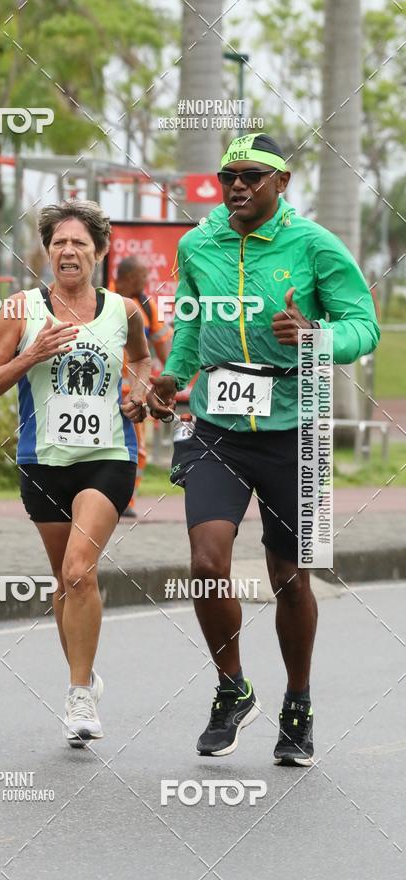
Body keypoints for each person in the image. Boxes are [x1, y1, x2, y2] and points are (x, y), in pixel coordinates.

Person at [148, 133, 380, 765]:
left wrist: (315, 333)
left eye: (251, 176)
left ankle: (298, 703)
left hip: (295, 427)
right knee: (205, 559)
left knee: (290, 577)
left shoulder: (314, 247)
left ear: (282, 183)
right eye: (228, 177)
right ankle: (232, 688)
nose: (238, 188)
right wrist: (174, 375)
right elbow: (192, 324)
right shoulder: (198, 245)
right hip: (218, 426)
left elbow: (365, 327)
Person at [0, 200, 151, 748]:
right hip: (42, 461)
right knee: (63, 582)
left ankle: (78, 695)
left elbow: (144, 361)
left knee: (80, 571)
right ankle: (86, 676)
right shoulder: (21, 310)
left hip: (108, 458)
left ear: (98, 252)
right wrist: (31, 355)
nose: (67, 251)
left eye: (79, 243)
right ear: (47, 252)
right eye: (58, 243)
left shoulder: (123, 311)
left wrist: (142, 391)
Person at [115, 257, 173, 517]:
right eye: (142, 275)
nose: (147, 281)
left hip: (133, 396)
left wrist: (173, 377)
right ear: (126, 278)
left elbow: (164, 346)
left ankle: (126, 502)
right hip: (103, 392)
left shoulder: (147, 307)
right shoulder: (103, 300)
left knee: (135, 450)